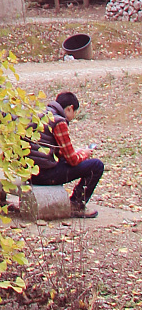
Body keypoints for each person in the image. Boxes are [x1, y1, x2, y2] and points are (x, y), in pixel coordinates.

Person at [30, 90, 103, 218]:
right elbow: (72, 160)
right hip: (43, 175)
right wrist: (84, 154)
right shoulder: (59, 122)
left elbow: (53, 150)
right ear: (70, 108)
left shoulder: (42, 114)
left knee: (72, 161)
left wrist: (77, 153)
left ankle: (76, 203)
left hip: (30, 172)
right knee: (96, 165)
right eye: (74, 112)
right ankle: (76, 205)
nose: (73, 116)